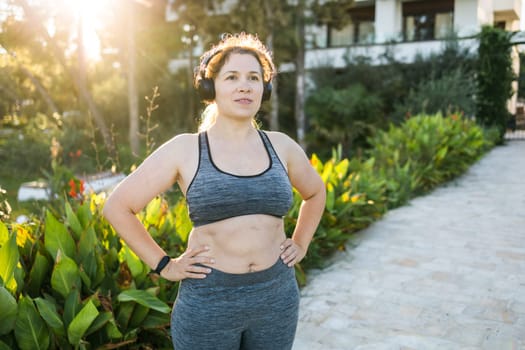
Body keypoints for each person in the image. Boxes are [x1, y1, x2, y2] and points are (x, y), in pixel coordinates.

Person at [103, 32, 326, 350]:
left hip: (276, 296)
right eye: (232, 77)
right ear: (211, 87)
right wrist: (165, 265)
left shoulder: (282, 146)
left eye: (254, 78)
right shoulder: (185, 149)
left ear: (265, 88)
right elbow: (118, 206)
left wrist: (301, 242)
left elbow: (315, 193)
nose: (245, 86)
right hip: (209, 302)